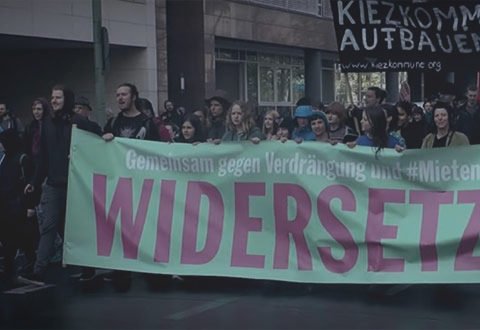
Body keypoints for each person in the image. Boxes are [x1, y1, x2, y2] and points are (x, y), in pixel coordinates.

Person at [19, 84, 101, 286]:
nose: (54, 100)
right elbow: (43, 159)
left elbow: (97, 134)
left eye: (58, 97)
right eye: (52, 97)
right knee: (49, 227)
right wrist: (35, 182)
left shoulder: (78, 121)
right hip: (54, 185)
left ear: (67, 100)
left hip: (75, 185)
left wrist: (104, 137)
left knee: (72, 230)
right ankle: (38, 271)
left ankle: (87, 267)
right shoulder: (46, 123)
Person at [102, 83, 159, 292]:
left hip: (142, 183)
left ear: (133, 96)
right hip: (120, 183)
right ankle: (121, 269)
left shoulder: (147, 123)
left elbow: (157, 152)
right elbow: (101, 150)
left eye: (124, 94)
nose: (119, 98)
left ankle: (148, 267)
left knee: (145, 226)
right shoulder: (113, 122)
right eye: (117, 94)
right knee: (120, 227)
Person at [0, 129, 34, 289]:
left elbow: (28, 184)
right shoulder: (5, 157)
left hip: (17, 205)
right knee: (9, 240)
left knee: (21, 239)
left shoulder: (22, 159)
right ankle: (11, 272)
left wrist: (29, 206)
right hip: (6, 206)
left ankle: (26, 268)